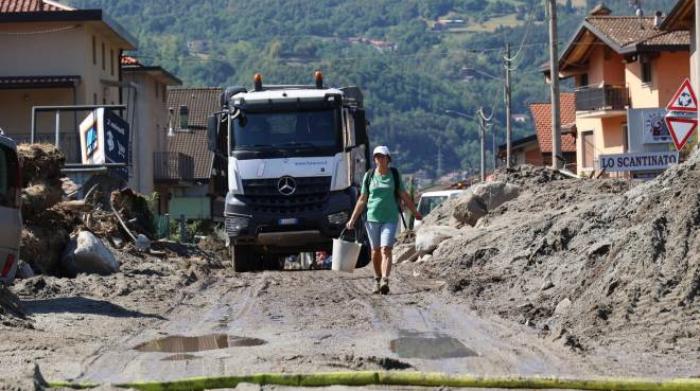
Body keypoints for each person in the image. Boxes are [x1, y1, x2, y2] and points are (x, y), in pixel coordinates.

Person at [346, 145, 422, 295]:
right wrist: (353, 219)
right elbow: (362, 199)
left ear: (388, 159)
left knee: (386, 249)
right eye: (376, 157)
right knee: (375, 251)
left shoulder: (393, 175)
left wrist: (415, 212)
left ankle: (385, 280)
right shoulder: (369, 176)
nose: (379, 159)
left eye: (382, 156)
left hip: (390, 217)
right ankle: (377, 279)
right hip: (372, 218)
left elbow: (404, 195)